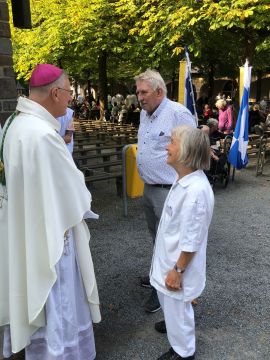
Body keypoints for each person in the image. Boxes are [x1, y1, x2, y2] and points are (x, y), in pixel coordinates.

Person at [0, 64, 101, 360]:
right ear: (55, 93)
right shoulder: (44, 135)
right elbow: (74, 193)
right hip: (51, 236)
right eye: (69, 92)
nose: (70, 99)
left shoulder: (11, 125)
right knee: (59, 297)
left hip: (23, 228)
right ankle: (59, 352)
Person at [150, 125, 214, 360]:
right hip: (169, 258)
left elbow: (192, 239)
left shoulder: (195, 191)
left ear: (186, 152)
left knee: (178, 307)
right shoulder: (185, 180)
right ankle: (171, 322)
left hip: (177, 265)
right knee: (169, 302)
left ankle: (183, 351)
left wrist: (178, 270)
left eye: (173, 142)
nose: (167, 146)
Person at [135, 69, 196, 313]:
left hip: (169, 190)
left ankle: (167, 288)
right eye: (137, 92)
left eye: (143, 92)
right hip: (150, 188)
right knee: (157, 239)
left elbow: (191, 152)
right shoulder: (144, 113)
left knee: (172, 242)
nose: (139, 97)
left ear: (159, 92)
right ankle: (157, 277)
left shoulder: (177, 113)